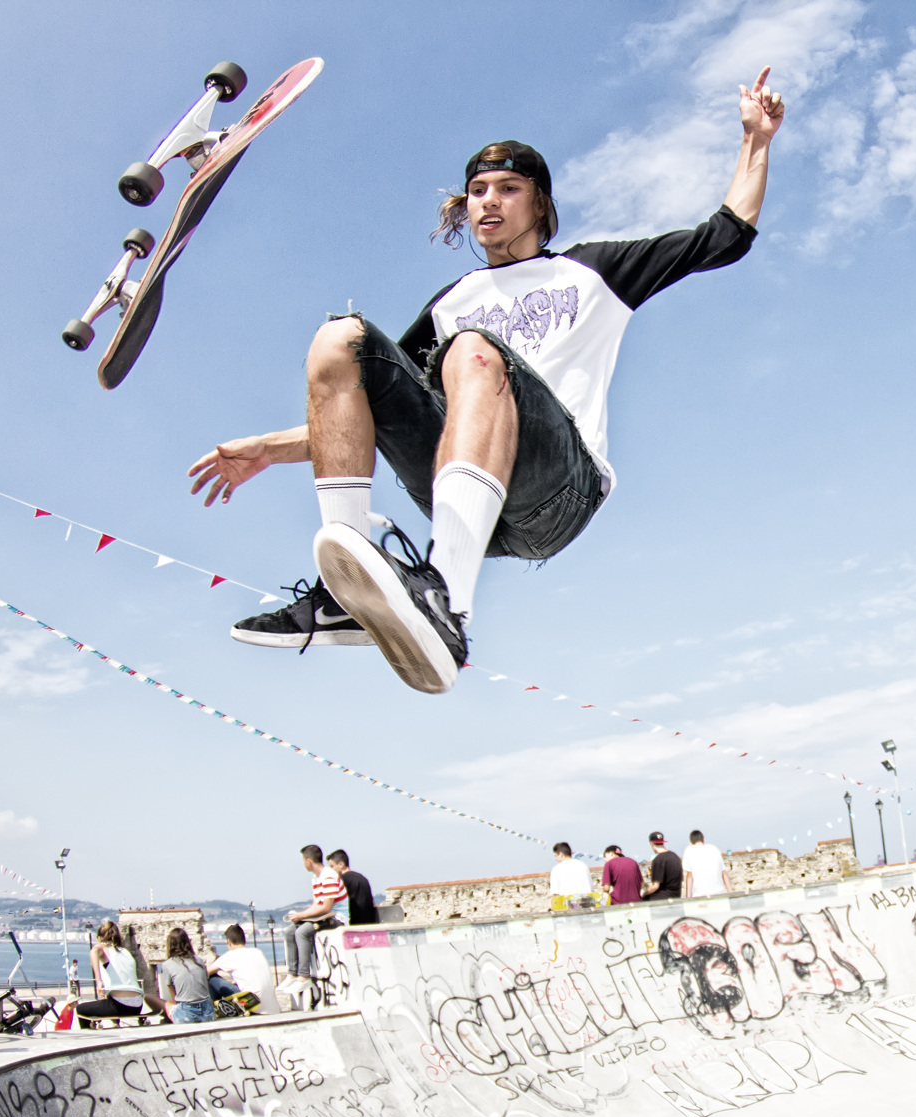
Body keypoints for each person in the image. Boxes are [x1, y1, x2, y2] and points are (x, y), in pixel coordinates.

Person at [187, 71, 785, 694]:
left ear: (540, 205)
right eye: (477, 191)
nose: (489, 201)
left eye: (508, 188)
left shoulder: (595, 271)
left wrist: (756, 140)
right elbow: (363, 411)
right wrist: (269, 448)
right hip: (460, 487)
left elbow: (726, 235)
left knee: (471, 350)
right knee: (342, 340)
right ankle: (345, 593)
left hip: (556, 490)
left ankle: (448, 605)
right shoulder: (452, 302)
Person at [279, 846, 347, 995]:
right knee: (290, 931)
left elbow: (326, 907)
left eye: (303, 860)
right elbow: (317, 904)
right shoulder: (316, 878)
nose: (303, 863)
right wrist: (300, 915)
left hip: (337, 918)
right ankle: (292, 974)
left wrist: (302, 916)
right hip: (324, 915)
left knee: (301, 933)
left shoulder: (328, 876)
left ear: (309, 861)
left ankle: (304, 977)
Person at [71, 920, 162, 1028]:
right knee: (109, 997)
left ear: (100, 938)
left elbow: (94, 952)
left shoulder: (104, 949)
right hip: (138, 1005)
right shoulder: (125, 952)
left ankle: (88, 1034)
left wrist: (98, 981)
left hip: (119, 1006)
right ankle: (115, 1024)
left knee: (81, 1009)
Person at [208, 923, 277, 1007]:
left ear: (229, 942)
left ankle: (216, 1009)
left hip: (250, 1003)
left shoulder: (231, 955)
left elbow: (205, 972)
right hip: (270, 1007)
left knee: (212, 978)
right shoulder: (257, 952)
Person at [156, 928, 216, 1024]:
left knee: (166, 1004)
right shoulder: (198, 961)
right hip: (207, 1009)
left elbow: (173, 998)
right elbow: (206, 987)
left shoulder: (167, 964)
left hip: (186, 1011)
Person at [327, 849, 379, 926]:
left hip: (353, 925)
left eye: (332, 866)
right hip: (369, 924)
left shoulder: (342, 881)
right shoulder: (362, 878)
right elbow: (372, 903)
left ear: (341, 864)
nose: (331, 870)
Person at [682, 830, 733, 899]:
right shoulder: (714, 849)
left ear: (690, 842)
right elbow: (724, 873)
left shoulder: (689, 850)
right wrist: (730, 893)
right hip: (719, 894)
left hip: (700, 895)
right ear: (703, 839)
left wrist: (688, 897)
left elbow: (689, 877)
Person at [640, 832, 683, 901]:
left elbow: (655, 886)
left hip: (662, 898)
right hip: (676, 896)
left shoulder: (658, 860)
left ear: (651, 843)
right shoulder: (675, 856)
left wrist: (644, 893)